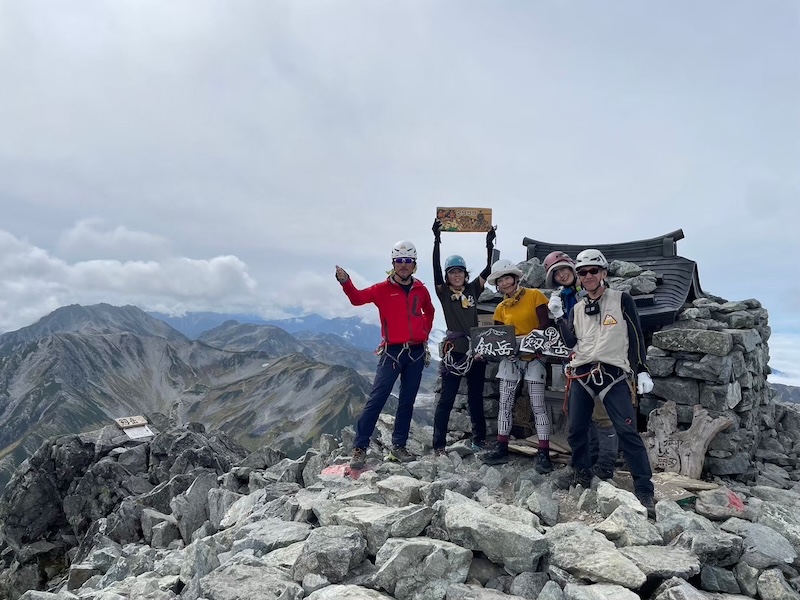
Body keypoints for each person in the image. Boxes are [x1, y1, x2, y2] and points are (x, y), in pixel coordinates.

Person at [549, 248, 656, 517]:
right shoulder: (578, 308)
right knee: (576, 431)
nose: (588, 276)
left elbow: (635, 336)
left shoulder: (622, 300)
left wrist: (641, 369)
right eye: (583, 273)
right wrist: (559, 318)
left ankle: (644, 488)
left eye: (593, 271)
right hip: (582, 372)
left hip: (613, 373)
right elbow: (571, 342)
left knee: (627, 431)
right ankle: (582, 473)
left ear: (603, 273)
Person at [335, 240, 435, 469]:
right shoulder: (381, 289)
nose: (403, 266)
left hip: (416, 352)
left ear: (414, 265)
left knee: (407, 402)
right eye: (400, 261)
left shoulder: (421, 289)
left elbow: (429, 310)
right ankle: (360, 448)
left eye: (408, 261)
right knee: (377, 399)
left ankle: (399, 446)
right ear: (393, 263)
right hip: (393, 352)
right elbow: (357, 299)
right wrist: (345, 282)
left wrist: (425, 332)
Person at [544, 251, 618, 481]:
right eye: (557, 273)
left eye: (564, 270)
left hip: (601, 360)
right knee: (580, 417)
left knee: (602, 414)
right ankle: (584, 465)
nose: (562, 275)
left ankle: (604, 466)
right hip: (577, 360)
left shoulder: (597, 294)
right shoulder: (565, 297)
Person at [480, 258, 553, 472]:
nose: (504, 283)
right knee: (505, 403)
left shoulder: (535, 296)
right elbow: (499, 336)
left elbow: (545, 325)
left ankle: (544, 452)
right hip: (511, 359)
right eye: (500, 280)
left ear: (515, 277)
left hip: (534, 357)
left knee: (538, 405)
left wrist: (528, 343)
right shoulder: (501, 308)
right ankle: (501, 446)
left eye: (507, 278)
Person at [431, 219, 496, 455]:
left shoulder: (472, 290)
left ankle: (479, 438)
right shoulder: (444, 294)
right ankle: (438, 444)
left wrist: (490, 244)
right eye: (452, 272)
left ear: (464, 274)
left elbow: (489, 270)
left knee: (476, 396)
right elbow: (435, 272)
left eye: (459, 271)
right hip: (455, 350)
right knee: (447, 399)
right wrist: (436, 241)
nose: (456, 275)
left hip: (476, 350)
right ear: (448, 276)